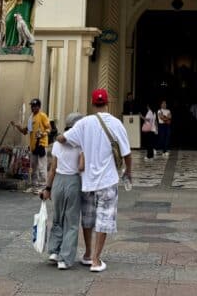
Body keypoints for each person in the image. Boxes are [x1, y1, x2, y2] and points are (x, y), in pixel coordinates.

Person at [60, 88, 132, 273]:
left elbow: (63, 139)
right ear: (108, 103)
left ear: (92, 103)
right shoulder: (116, 124)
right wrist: (128, 171)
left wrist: (53, 136)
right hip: (107, 180)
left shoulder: (84, 123)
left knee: (88, 218)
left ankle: (87, 254)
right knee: (104, 219)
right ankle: (96, 260)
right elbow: (126, 153)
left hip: (87, 181)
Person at [41, 111, 84, 270]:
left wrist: (48, 188)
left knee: (57, 218)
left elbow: (52, 169)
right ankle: (65, 258)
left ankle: (53, 251)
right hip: (73, 181)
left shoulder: (58, 143)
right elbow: (81, 167)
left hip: (58, 181)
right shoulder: (80, 144)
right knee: (71, 222)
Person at [12, 98, 51, 193]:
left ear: (39, 106)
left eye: (35, 106)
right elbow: (25, 131)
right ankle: (34, 186)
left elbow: (49, 128)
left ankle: (43, 187)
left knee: (42, 167)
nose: (33, 108)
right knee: (33, 167)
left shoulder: (42, 115)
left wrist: (43, 134)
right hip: (33, 146)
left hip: (41, 145)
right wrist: (17, 126)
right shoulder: (30, 118)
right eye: (32, 106)